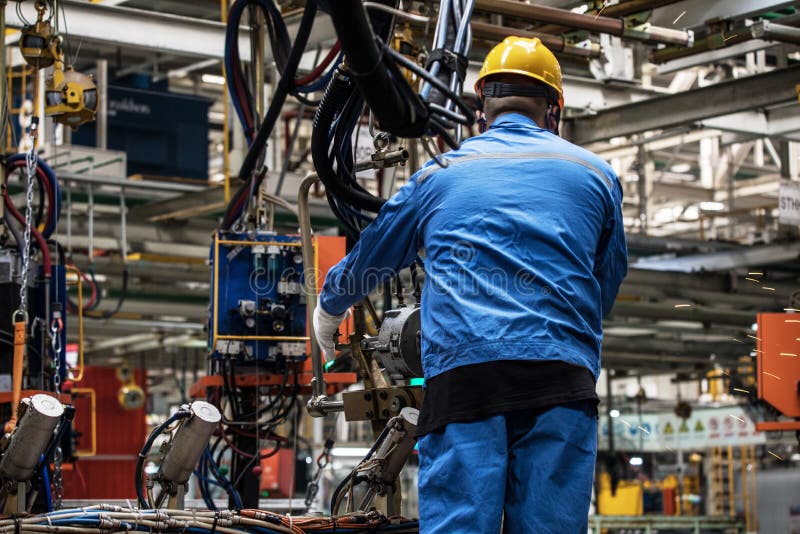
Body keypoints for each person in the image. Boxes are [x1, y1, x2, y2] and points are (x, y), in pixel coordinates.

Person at [313, 36, 627, 533]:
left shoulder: (439, 175)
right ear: (555, 109)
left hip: (465, 381)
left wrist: (330, 308)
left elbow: (373, 256)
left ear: (482, 108)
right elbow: (605, 283)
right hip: (562, 379)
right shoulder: (597, 175)